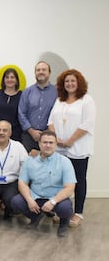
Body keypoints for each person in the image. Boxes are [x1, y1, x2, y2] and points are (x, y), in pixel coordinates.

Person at [48, 69, 96, 227]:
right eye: (66, 81)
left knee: (79, 180)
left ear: (79, 83)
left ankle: (78, 213)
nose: (69, 84)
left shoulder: (86, 100)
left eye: (72, 81)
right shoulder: (59, 100)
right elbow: (50, 122)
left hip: (78, 148)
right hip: (60, 148)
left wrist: (70, 140)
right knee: (61, 181)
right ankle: (63, 211)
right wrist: (57, 139)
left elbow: (88, 124)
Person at [11, 130, 77, 237]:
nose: (48, 145)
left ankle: (63, 224)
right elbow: (22, 182)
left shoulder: (64, 162)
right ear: (39, 143)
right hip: (36, 197)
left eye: (51, 143)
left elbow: (70, 188)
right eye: (45, 142)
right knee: (16, 201)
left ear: (56, 145)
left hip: (56, 198)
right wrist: (29, 200)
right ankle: (36, 217)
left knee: (65, 208)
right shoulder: (30, 160)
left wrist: (53, 201)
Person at [18, 61, 57, 155]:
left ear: (49, 73)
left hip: (49, 138)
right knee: (28, 165)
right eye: (38, 70)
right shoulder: (27, 91)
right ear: (35, 73)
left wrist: (47, 134)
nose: (41, 72)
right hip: (29, 136)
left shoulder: (57, 93)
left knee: (47, 166)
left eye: (44, 70)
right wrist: (31, 131)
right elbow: (21, 113)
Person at [0, 68, 23, 142]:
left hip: (15, 133)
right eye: (7, 77)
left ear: (16, 80)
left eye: (12, 77)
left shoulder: (22, 96)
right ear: (3, 80)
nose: (9, 80)